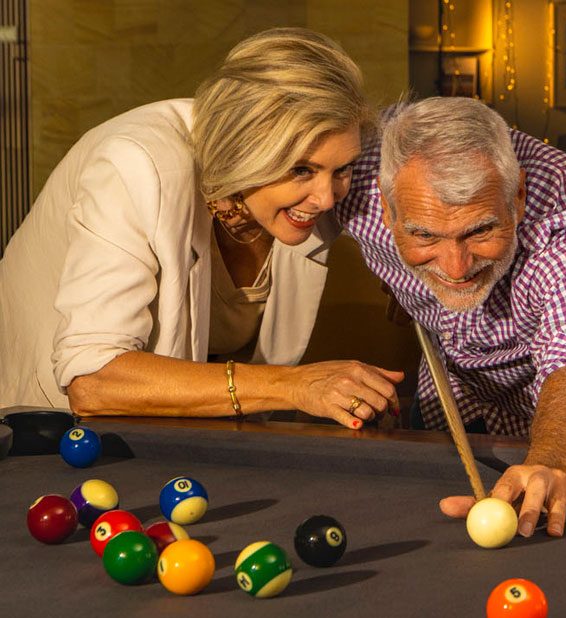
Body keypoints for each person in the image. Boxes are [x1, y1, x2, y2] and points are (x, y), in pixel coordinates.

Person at [0, 28, 402, 428]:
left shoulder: (324, 182)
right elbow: (91, 381)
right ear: (244, 153)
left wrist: (412, 279)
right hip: (48, 426)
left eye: (341, 169)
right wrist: (293, 385)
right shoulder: (134, 165)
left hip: (192, 431)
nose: (327, 199)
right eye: (300, 170)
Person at [335, 96, 566, 537]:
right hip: (451, 401)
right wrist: (404, 285)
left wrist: (554, 462)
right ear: (387, 209)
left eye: (480, 230)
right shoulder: (352, 178)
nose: (456, 267)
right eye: (424, 235)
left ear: (517, 195)